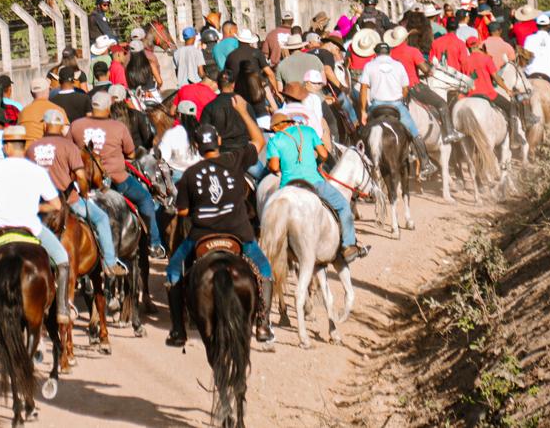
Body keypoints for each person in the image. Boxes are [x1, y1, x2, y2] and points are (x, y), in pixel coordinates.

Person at [165, 115, 275, 347]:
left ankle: (178, 330)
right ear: (219, 141)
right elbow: (258, 140)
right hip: (239, 233)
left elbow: (183, 212)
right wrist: (243, 112)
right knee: (264, 269)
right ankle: (263, 324)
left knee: (174, 269)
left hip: (201, 235)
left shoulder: (190, 175)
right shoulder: (235, 159)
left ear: (196, 146)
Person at [0, 125, 71, 323]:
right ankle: (62, 310)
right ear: (22, 145)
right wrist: (38, 209)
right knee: (62, 260)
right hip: (32, 228)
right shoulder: (37, 171)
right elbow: (55, 204)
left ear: (7, 146)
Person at [27, 111, 129, 277]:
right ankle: (110, 264)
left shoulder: (32, 148)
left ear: (45, 125)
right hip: (69, 201)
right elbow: (81, 176)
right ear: (61, 128)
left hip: (40, 204)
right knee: (102, 219)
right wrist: (84, 192)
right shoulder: (70, 147)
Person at [71, 91, 167, 258]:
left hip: (84, 183)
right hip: (117, 179)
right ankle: (154, 243)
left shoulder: (77, 125)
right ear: (108, 108)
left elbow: (69, 148)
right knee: (145, 199)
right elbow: (130, 153)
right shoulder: (118, 127)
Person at [266, 113, 366, 262]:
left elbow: (274, 166)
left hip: (288, 186)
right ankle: (349, 245)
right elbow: (324, 154)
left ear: (277, 127)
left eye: (273, 129)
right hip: (314, 183)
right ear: (290, 122)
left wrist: (279, 165)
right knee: (344, 206)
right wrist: (316, 161)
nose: (274, 132)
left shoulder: (275, 140)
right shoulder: (308, 131)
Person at [358, 43, 439, 178]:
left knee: (363, 133)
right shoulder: (398, 66)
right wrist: (401, 99)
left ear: (375, 54)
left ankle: (362, 165)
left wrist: (363, 111)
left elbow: (363, 89)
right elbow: (405, 88)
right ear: (389, 53)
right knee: (414, 132)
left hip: (376, 106)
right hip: (396, 106)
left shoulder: (369, 66)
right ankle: (425, 163)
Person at [385, 27, 463, 143]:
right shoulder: (412, 51)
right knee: (441, 103)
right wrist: (430, 70)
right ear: (406, 39)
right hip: (414, 88)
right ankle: (449, 132)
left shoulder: (389, 55)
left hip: (394, 91)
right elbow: (425, 69)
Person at [463, 37, 525, 143]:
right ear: (478, 45)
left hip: (471, 95)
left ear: (467, 47)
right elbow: (496, 77)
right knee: (510, 108)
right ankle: (514, 137)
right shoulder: (486, 59)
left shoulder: (465, 61)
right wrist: (507, 89)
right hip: (488, 93)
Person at [523, 15, 550, 106]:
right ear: (548, 26)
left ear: (537, 25)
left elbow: (525, 56)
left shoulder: (529, 39)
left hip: (530, 73)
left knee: (519, 91)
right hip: (549, 74)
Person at [157, 100, 204, 181]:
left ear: (179, 114)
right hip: (200, 175)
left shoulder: (171, 133)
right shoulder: (203, 131)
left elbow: (163, 158)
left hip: (177, 177)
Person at [225, 29, 280, 96]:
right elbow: (270, 74)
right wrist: (276, 91)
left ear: (238, 40)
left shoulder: (230, 56)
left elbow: (226, 76)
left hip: (239, 92)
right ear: (250, 41)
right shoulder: (257, 53)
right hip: (257, 91)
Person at [18, 77, 69, 146]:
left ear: (31, 93)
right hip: (49, 152)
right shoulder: (57, 110)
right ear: (48, 91)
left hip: (27, 152)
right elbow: (67, 134)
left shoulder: (23, 112)